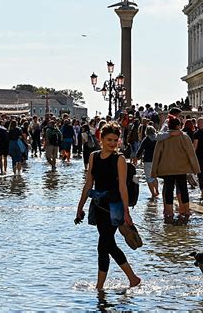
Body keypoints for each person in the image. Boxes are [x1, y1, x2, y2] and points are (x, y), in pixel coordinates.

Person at [76, 122, 141, 291]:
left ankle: (100, 287)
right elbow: (89, 183)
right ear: (101, 139)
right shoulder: (93, 157)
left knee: (104, 245)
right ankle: (132, 279)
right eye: (109, 140)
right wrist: (79, 207)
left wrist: (126, 212)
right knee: (108, 244)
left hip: (114, 206)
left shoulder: (119, 159)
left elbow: (123, 187)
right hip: (98, 205)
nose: (113, 143)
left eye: (115, 140)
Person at [151, 116, 200, 224]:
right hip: (181, 168)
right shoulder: (184, 137)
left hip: (166, 169)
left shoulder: (163, 138)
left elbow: (156, 155)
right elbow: (190, 154)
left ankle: (169, 211)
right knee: (183, 189)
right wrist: (195, 168)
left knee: (168, 189)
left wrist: (154, 171)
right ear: (178, 125)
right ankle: (186, 210)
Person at [136, 126, 159, 199]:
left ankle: (153, 194)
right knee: (154, 176)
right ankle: (157, 190)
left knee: (149, 178)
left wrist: (137, 157)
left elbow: (141, 149)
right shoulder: (157, 138)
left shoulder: (146, 139)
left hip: (147, 160)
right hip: (156, 160)